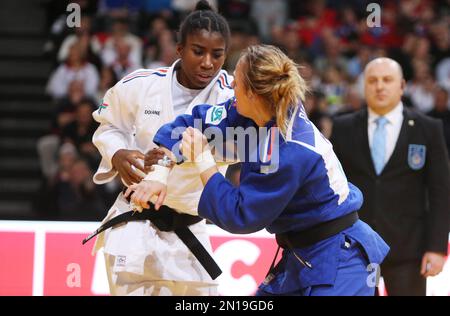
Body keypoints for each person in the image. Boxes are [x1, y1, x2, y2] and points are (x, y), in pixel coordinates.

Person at [127, 45, 390, 296]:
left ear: (253, 93)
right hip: (299, 253)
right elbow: (191, 122)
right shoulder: (259, 109)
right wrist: (161, 173)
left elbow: (241, 215)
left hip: (340, 259)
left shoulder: (288, 149)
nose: (231, 85)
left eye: (237, 82)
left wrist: (204, 161)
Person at [89, 0, 234, 296]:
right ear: (179, 49)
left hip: (191, 227)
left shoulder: (232, 97)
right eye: (198, 51)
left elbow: (238, 146)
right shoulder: (141, 85)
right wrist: (117, 154)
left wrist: (171, 160)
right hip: (136, 222)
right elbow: (107, 125)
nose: (208, 62)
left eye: (217, 55)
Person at [330, 58, 450, 296]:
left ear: (402, 86)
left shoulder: (428, 128)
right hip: (356, 249)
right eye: (373, 81)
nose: (380, 86)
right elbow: (333, 188)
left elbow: (441, 192)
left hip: (409, 250)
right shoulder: (343, 127)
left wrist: (437, 248)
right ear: (364, 87)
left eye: (387, 80)